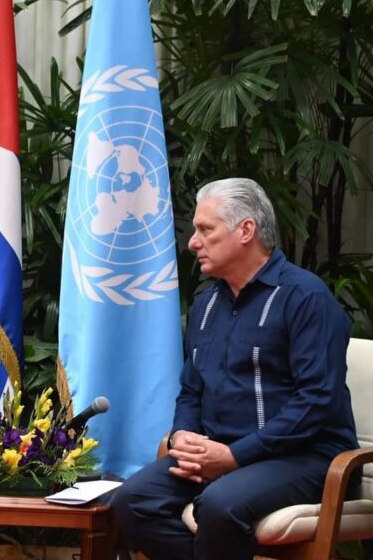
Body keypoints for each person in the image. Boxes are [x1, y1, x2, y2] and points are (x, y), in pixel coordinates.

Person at [111, 178, 359, 560]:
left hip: (307, 457)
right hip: (221, 452)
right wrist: (183, 437)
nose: (193, 242)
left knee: (220, 503)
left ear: (246, 230)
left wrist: (235, 456)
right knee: (132, 500)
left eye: (205, 229)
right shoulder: (205, 304)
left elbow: (316, 401)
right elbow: (192, 390)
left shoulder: (306, 298)